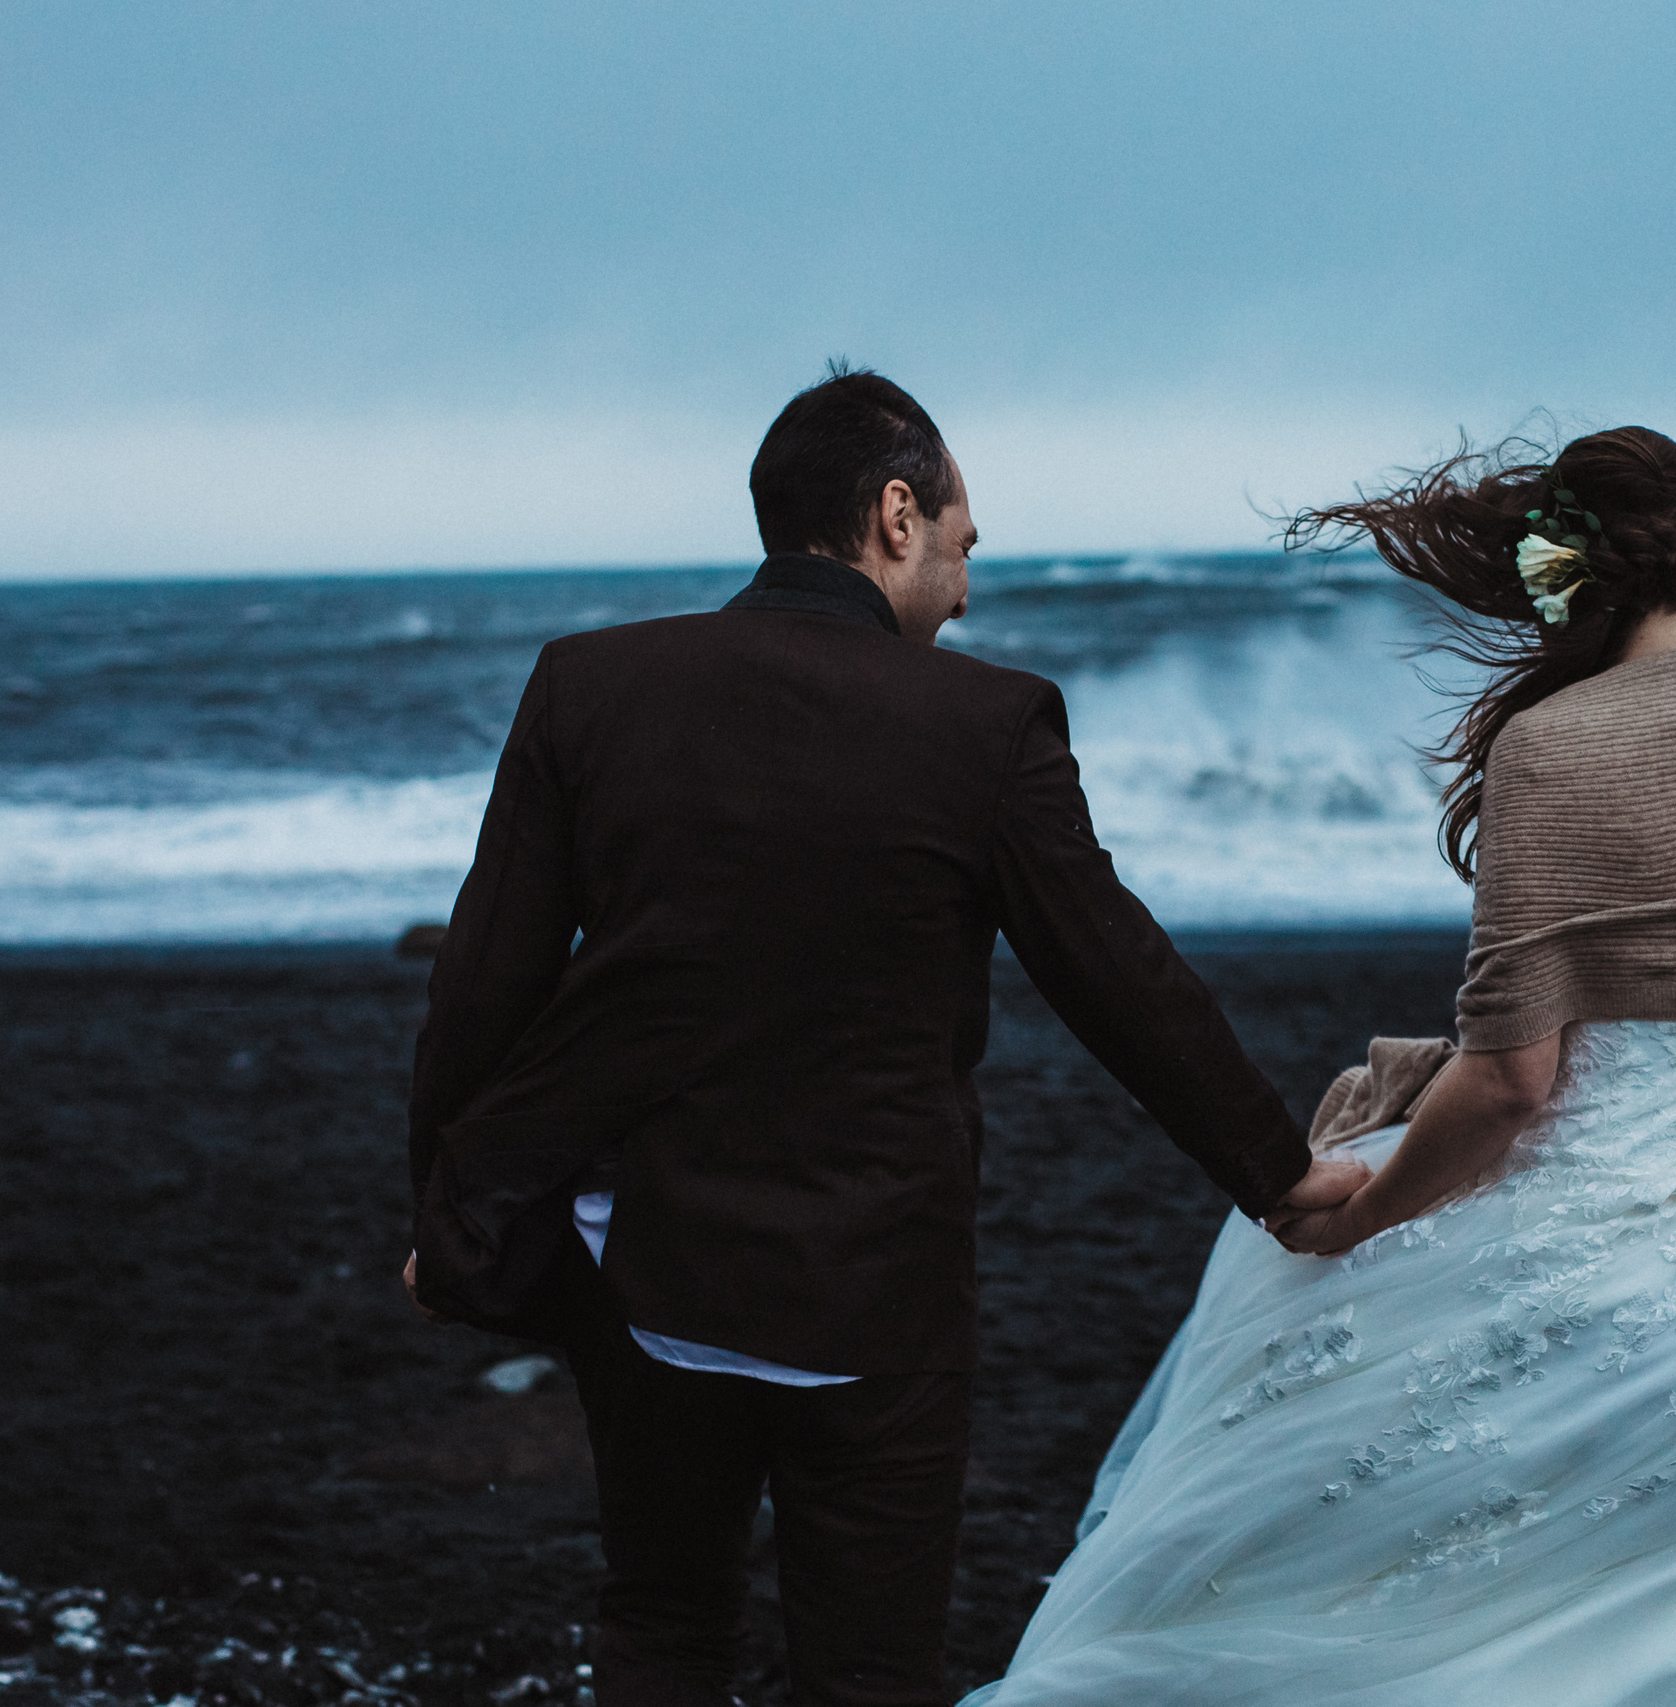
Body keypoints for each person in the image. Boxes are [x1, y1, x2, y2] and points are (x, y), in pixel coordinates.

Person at [400, 365, 1366, 1707]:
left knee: (665, 1625)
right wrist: (1278, 1172)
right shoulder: (985, 724)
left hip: (647, 1271)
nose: (966, 591)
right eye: (964, 547)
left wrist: (448, 1217)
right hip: (870, 1285)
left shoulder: (590, 686)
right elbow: (1118, 975)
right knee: (868, 1669)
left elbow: (485, 981)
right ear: (897, 514)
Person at [961, 426, 1676, 1706]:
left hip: (1601, 1234)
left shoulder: (1555, 745)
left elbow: (1513, 1083)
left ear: (1566, 579)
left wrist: (1364, 1213)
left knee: (1337, 1486)